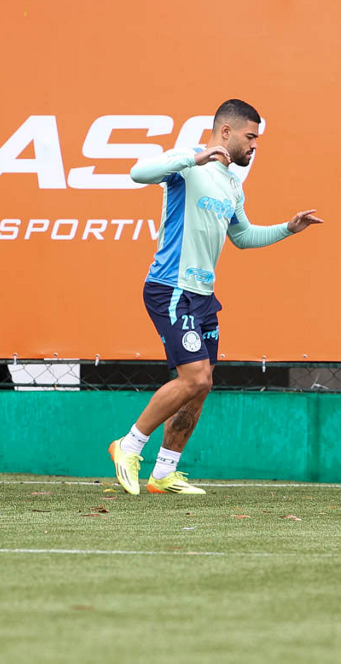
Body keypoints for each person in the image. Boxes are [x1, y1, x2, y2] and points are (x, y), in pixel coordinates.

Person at [108, 99, 323, 495]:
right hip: (170, 288)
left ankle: (163, 473)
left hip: (203, 296)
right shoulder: (188, 163)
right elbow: (138, 173)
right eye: (250, 136)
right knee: (193, 377)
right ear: (226, 132)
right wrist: (195, 157)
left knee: (202, 384)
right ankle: (129, 445)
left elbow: (243, 236)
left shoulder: (233, 184)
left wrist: (288, 228)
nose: (254, 145)